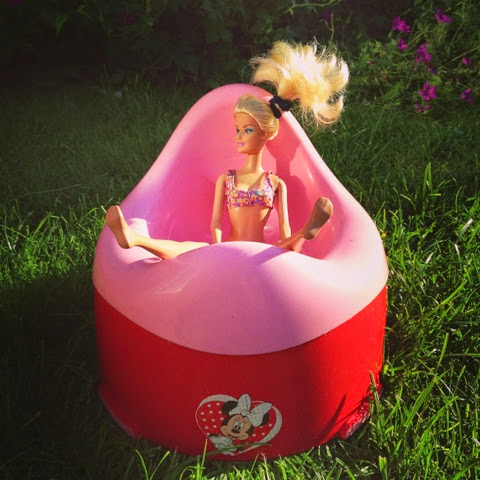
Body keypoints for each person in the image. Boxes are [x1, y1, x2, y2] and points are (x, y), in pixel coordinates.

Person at [105, 41, 349, 260]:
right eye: (237, 129)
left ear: (266, 134)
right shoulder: (227, 178)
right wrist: (218, 248)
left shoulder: (275, 183)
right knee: (191, 248)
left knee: (283, 247)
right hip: (227, 250)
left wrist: (287, 251)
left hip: (263, 253)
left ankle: (306, 231)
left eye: (248, 130)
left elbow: (284, 228)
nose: (239, 137)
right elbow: (216, 223)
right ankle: (135, 239)